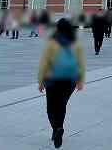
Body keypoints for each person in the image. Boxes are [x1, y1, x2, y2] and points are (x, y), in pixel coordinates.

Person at [38, 18, 85, 148]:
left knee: (51, 108)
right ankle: (59, 128)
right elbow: (80, 63)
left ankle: (56, 129)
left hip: (52, 79)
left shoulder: (51, 43)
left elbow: (44, 63)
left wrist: (41, 80)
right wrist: (80, 80)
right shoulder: (76, 43)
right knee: (62, 104)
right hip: (69, 80)